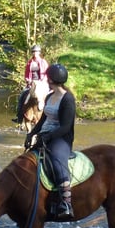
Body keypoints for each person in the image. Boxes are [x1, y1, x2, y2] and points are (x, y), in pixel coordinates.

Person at [25, 63, 76, 220]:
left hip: (61, 138)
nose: (46, 80)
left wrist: (49, 136)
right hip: (45, 134)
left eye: (48, 78)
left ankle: (66, 203)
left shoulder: (68, 100)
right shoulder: (49, 96)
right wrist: (32, 133)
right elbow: (43, 120)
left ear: (52, 80)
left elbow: (66, 127)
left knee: (56, 160)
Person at [12, 44, 49, 125]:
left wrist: (42, 81)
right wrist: (28, 80)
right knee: (22, 96)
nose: (35, 53)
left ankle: (51, 117)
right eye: (33, 52)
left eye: (36, 52)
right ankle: (19, 117)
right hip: (32, 84)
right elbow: (26, 74)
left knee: (50, 97)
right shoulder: (30, 63)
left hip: (42, 83)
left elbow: (47, 74)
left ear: (39, 52)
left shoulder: (43, 62)